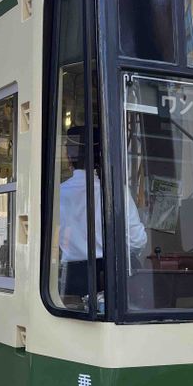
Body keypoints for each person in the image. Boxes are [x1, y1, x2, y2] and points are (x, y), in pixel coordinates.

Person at [59, 126, 147, 298]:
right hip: (108, 277)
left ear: (69, 158)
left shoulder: (58, 193)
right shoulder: (116, 191)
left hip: (68, 281)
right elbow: (137, 240)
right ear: (101, 157)